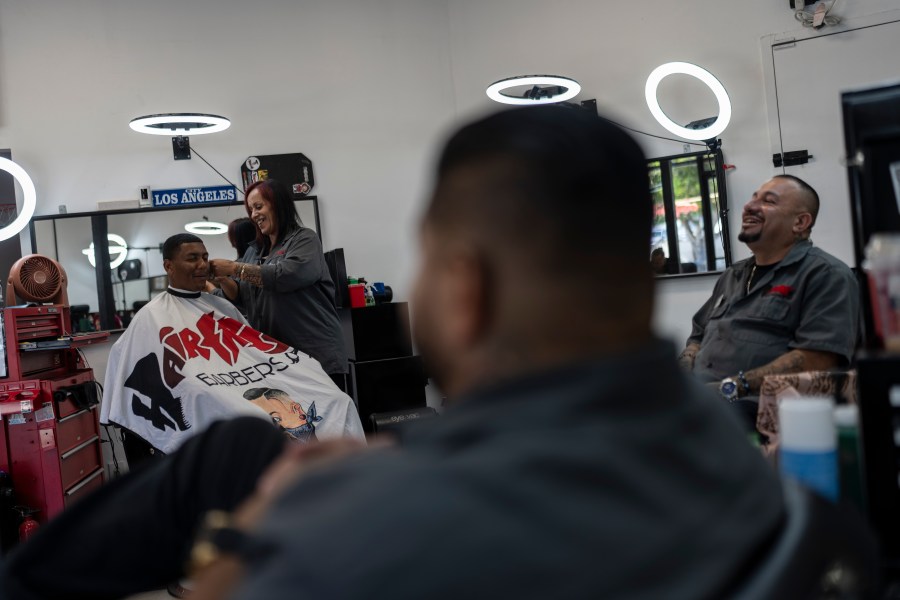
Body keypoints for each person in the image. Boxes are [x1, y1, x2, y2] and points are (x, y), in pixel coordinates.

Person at [0, 107, 785, 599]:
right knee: (240, 442)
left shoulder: (363, 539)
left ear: (464, 287)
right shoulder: (730, 445)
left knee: (225, 457)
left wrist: (258, 534)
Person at [100, 233, 363, 457]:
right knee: (258, 420)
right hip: (218, 391)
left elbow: (254, 349)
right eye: (192, 258)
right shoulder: (151, 315)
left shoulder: (221, 306)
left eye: (204, 257)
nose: (202, 264)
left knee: (338, 400)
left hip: (248, 382)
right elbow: (131, 362)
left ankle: (343, 475)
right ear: (168, 266)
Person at [678, 175, 860, 426]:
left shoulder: (826, 274)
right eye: (753, 197)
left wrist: (730, 388)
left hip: (762, 407)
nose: (750, 206)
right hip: (699, 397)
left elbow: (818, 358)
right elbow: (697, 336)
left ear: (800, 222)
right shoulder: (734, 274)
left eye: (768, 201)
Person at [208, 180, 348, 388]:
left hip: (314, 357)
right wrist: (222, 278)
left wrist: (233, 268)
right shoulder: (254, 251)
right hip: (277, 361)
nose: (254, 215)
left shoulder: (304, 240)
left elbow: (285, 276)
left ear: (278, 205)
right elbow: (239, 297)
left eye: (259, 206)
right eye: (251, 210)